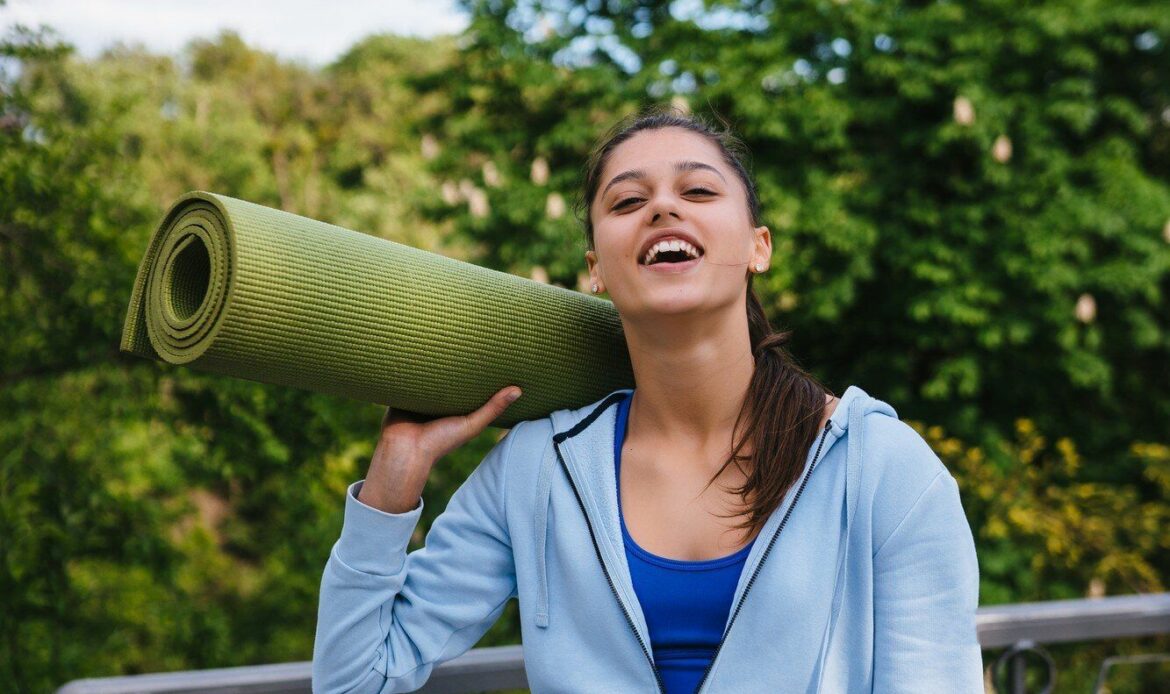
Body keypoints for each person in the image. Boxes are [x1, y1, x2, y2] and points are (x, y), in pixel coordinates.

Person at [312, 107, 983, 693]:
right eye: (627, 202)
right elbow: (354, 679)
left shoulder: (882, 469)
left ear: (759, 247)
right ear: (596, 269)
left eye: (697, 189)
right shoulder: (536, 470)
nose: (663, 208)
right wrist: (392, 480)